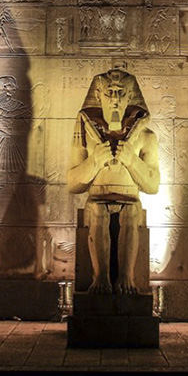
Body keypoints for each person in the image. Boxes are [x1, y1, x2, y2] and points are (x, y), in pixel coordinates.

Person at [68, 67, 159, 294]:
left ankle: (127, 276)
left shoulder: (146, 137)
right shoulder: (86, 132)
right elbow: (73, 184)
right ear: (99, 96)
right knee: (98, 212)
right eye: (110, 93)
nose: (115, 100)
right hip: (97, 198)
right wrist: (95, 161)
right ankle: (100, 276)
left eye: (121, 93)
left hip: (130, 198)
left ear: (130, 97)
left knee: (131, 213)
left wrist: (131, 160)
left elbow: (152, 185)